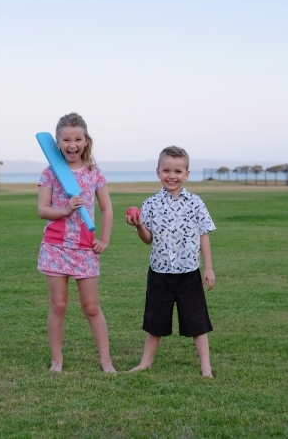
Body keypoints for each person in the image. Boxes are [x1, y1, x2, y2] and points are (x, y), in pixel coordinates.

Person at [125, 146, 216, 377]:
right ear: (158, 172)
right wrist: (138, 226)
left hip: (189, 273)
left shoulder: (195, 203)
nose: (171, 175)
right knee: (155, 321)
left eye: (177, 170)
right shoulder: (150, 204)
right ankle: (145, 363)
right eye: (166, 170)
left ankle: (206, 366)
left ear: (186, 174)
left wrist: (209, 268)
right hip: (159, 273)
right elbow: (148, 239)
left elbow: (203, 235)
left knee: (198, 321)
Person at [37, 112, 116, 373]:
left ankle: (106, 361)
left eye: (78, 139)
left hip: (85, 247)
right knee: (58, 305)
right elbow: (43, 210)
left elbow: (106, 208)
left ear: (86, 141)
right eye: (66, 139)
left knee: (91, 307)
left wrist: (104, 238)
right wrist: (66, 209)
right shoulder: (50, 173)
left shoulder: (94, 172)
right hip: (55, 246)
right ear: (58, 142)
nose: (72, 145)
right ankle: (56, 360)